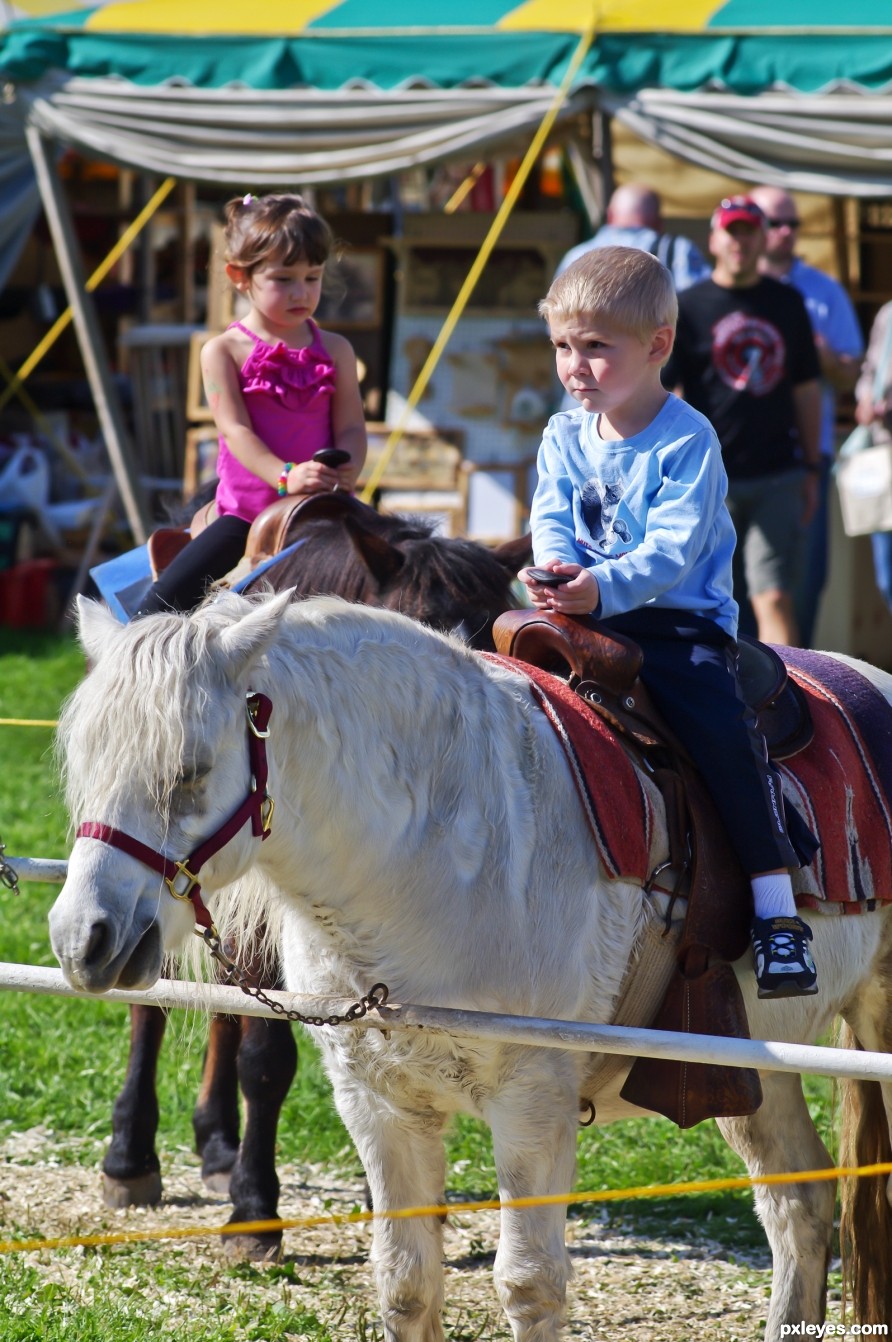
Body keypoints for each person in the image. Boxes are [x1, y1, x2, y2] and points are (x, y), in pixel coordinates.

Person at [518, 245, 818, 998]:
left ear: (657, 346)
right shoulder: (562, 435)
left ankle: (778, 911)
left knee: (719, 732)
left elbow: (672, 554)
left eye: (595, 347)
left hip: (674, 626)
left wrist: (601, 587)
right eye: (562, 346)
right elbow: (550, 520)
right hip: (579, 610)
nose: (574, 365)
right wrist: (554, 572)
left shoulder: (687, 439)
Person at [137, 192, 367, 615]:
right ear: (240, 276)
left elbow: (351, 424)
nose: (302, 292)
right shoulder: (223, 351)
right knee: (155, 609)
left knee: (406, 576)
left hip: (323, 506)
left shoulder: (336, 350)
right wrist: (286, 477)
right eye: (283, 279)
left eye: (312, 277)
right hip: (247, 513)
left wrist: (350, 464)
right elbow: (235, 430)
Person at [664, 195, 822, 647]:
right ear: (714, 240)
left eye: (749, 232)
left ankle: (791, 705)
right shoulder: (687, 307)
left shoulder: (788, 302)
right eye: (732, 232)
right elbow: (665, 392)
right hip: (710, 478)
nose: (741, 242)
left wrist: (811, 467)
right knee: (708, 597)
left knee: (773, 596)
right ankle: (720, 698)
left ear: (762, 239)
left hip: (778, 475)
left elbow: (807, 388)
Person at [749, 185, 864, 647]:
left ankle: (800, 701)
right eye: (774, 222)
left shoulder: (821, 291)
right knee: (731, 592)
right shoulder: (713, 293)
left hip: (801, 464)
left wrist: (819, 355)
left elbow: (850, 372)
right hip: (732, 462)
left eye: (792, 224)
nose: (784, 233)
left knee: (799, 588)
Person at [555, 182, 711, 292]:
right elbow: (702, 304)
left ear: (609, 215)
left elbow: (556, 323)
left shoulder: (575, 257)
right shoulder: (678, 251)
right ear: (659, 222)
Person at [853, 300, 892, 614]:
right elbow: (870, 371)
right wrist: (866, 398)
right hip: (884, 455)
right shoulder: (888, 314)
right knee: (888, 579)